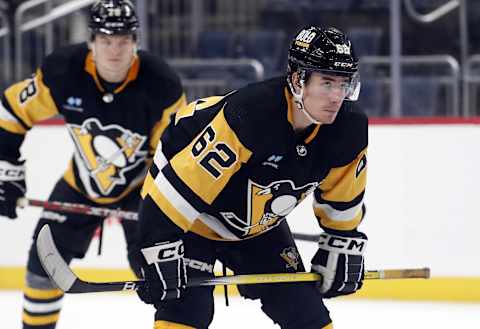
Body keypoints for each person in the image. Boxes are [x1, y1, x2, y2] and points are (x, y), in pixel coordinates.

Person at [135, 25, 368, 329]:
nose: (337, 96)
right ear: (298, 80)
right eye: (327, 83)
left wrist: (342, 239)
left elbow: (343, 198)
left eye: (343, 84)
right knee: (187, 313)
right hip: (192, 220)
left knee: (307, 315)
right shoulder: (250, 115)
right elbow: (173, 196)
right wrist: (157, 248)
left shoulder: (348, 128)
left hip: (256, 227)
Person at [0, 1, 186, 328]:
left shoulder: (161, 84)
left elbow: (172, 158)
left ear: (135, 42)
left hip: (143, 189)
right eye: (106, 40)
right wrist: (7, 169)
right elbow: (11, 110)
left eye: (123, 40)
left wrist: (167, 215)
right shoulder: (63, 71)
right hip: (80, 183)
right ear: (92, 42)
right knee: (40, 267)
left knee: (162, 280)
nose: (115, 50)